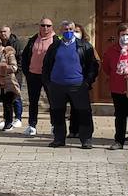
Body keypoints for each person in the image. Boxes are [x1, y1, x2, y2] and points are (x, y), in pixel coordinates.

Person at [43, 20, 100, 149]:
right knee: (57, 113)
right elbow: (46, 65)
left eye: (70, 30)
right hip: (57, 86)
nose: (68, 32)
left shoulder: (84, 46)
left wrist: (87, 82)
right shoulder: (54, 46)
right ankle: (59, 139)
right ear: (60, 31)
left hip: (78, 86)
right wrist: (48, 82)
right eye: (65, 30)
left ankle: (86, 140)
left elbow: (93, 66)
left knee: (83, 112)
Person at [19, 17, 56, 137]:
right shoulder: (33, 39)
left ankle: (54, 125)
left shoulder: (56, 40)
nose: (45, 28)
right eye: (43, 25)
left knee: (53, 101)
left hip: (49, 76)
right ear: (39, 26)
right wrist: (27, 72)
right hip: (33, 74)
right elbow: (24, 57)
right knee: (33, 101)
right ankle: (32, 125)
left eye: (48, 26)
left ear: (52, 27)